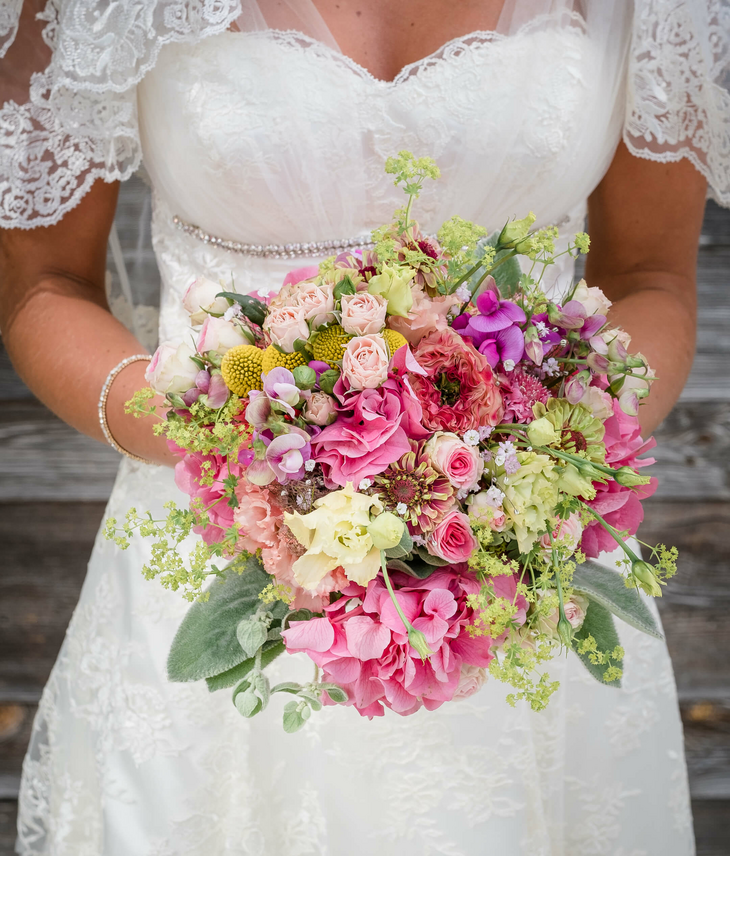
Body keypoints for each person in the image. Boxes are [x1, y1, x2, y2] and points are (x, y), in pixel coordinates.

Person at [0, 0, 727, 855]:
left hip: (519, 572)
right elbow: (43, 283)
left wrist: (525, 461)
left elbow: (649, 273)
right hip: (210, 547)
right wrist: (225, 441)